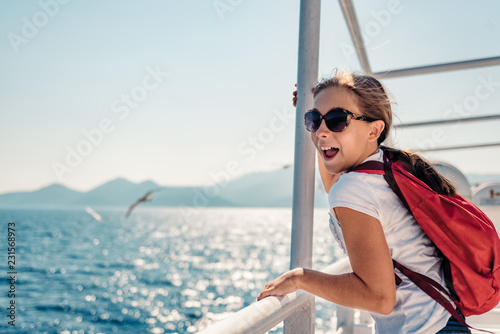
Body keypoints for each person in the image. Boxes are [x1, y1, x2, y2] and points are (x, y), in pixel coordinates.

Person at [257, 70, 471, 334]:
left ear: (374, 130)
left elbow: (379, 298)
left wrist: (300, 278)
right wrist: (325, 135)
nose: (321, 130)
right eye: (314, 120)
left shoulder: (354, 188)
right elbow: (333, 180)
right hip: (445, 321)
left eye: (337, 120)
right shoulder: (384, 169)